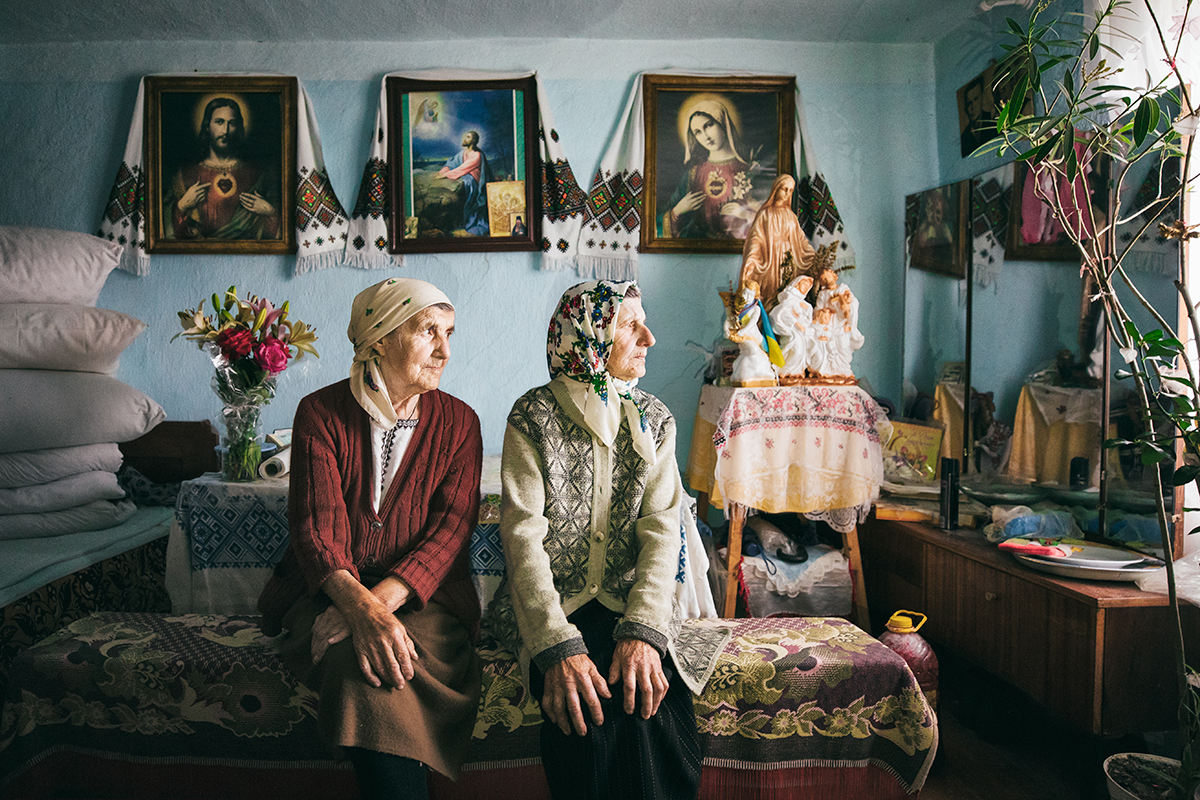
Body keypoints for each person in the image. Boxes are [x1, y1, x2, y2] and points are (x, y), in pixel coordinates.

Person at [485, 280, 723, 800]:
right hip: (557, 607)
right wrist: (556, 647)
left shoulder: (654, 419)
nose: (650, 338)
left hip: (633, 601)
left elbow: (663, 533)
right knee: (585, 714)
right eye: (629, 325)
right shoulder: (532, 417)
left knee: (649, 711)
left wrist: (642, 632)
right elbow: (523, 538)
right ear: (590, 336)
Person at [257, 277, 483, 800]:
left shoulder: (460, 423)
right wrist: (354, 606)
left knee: (380, 652)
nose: (445, 350)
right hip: (326, 590)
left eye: (450, 334)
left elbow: (451, 531)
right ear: (380, 338)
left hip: (423, 601)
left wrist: (370, 610)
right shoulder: (320, 413)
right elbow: (317, 528)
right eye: (429, 332)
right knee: (358, 661)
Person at [164, 97, 281, 241]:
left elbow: (274, 237)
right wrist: (181, 206)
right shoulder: (186, 173)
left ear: (238, 128)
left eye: (231, 123)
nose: (225, 130)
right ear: (207, 126)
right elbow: (164, 230)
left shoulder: (256, 174)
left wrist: (270, 212)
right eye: (219, 122)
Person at [660, 94, 765, 240]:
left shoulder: (750, 171)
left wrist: (746, 215)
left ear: (723, 122)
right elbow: (658, 226)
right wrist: (677, 211)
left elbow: (773, 223)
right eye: (697, 132)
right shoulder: (692, 175)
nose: (705, 136)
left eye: (709, 125)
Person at [738, 173, 817, 310]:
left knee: (788, 297)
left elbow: (801, 242)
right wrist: (752, 257)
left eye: (790, 190)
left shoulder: (791, 216)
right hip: (770, 261)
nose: (787, 193)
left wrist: (815, 257)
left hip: (789, 261)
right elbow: (757, 238)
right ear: (776, 189)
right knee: (771, 297)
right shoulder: (765, 214)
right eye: (784, 189)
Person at [437, 130, 493, 236]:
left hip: (476, 185)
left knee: (468, 182)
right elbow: (451, 163)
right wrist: (441, 172)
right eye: (464, 137)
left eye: (468, 137)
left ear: (474, 140)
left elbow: (463, 168)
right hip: (466, 177)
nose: (464, 139)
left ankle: (471, 225)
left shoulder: (477, 155)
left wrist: (445, 175)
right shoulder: (462, 153)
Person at [959, 75, 995, 157]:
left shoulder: (993, 123)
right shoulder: (965, 138)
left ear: (982, 99)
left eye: (975, 99)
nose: (972, 107)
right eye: (969, 103)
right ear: (966, 108)